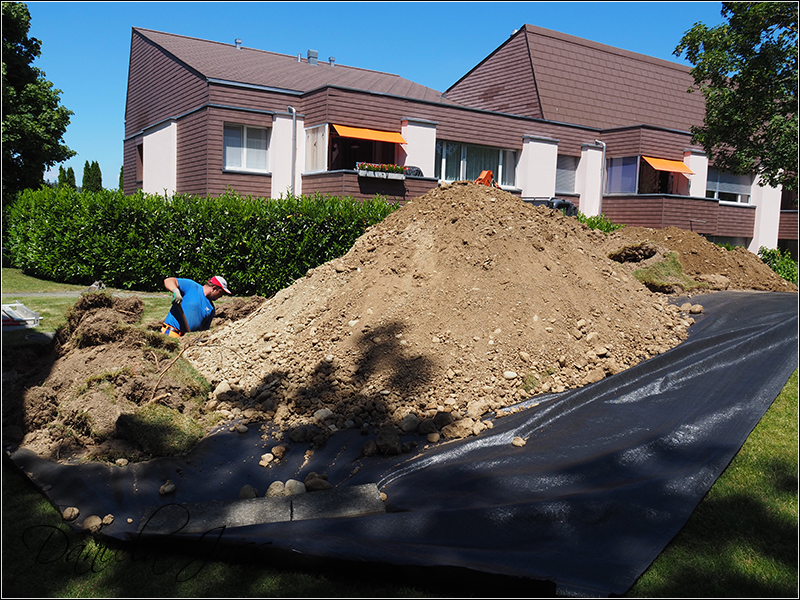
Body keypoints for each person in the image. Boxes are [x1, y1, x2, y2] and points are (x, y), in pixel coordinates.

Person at [160, 275, 231, 337]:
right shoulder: (191, 286)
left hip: (187, 341)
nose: (221, 296)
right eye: (220, 292)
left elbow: (204, 331)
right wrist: (175, 291)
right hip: (171, 333)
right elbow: (168, 280)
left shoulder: (211, 308)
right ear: (214, 288)